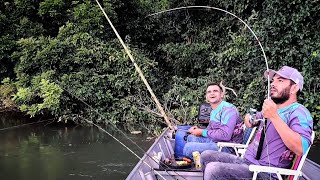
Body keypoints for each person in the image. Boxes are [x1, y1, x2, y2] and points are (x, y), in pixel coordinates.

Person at [201, 66, 313, 179]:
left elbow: (300, 148)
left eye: (280, 80)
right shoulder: (271, 109)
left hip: (265, 173)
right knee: (206, 155)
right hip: (247, 162)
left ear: (294, 88)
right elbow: (250, 118)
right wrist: (249, 119)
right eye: (273, 80)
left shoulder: (299, 112)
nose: (273, 84)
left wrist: (274, 116)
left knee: (214, 169)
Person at [183, 82, 243, 158]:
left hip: (228, 147)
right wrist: (198, 130)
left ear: (222, 95)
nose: (212, 93)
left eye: (215, 91)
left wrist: (202, 132)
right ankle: (199, 161)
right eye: (209, 92)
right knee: (190, 137)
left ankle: (202, 163)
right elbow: (210, 130)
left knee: (188, 148)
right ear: (206, 97)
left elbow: (225, 135)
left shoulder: (228, 109)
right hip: (217, 142)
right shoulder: (213, 111)